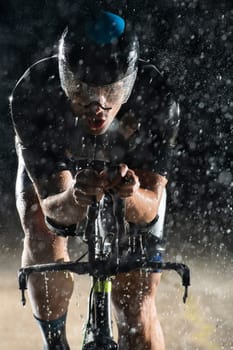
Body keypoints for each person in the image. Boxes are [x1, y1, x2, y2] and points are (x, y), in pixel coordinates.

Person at [10, 10, 180, 350]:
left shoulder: (156, 96)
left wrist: (129, 196)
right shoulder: (35, 91)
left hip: (123, 167)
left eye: (111, 91)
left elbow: (149, 211)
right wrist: (75, 198)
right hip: (63, 178)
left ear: (129, 84)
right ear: (63, 77)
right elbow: (53, 211)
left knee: (135, 306)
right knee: (40, 228)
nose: (97, 106)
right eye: (80, 89)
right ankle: (54, 342)